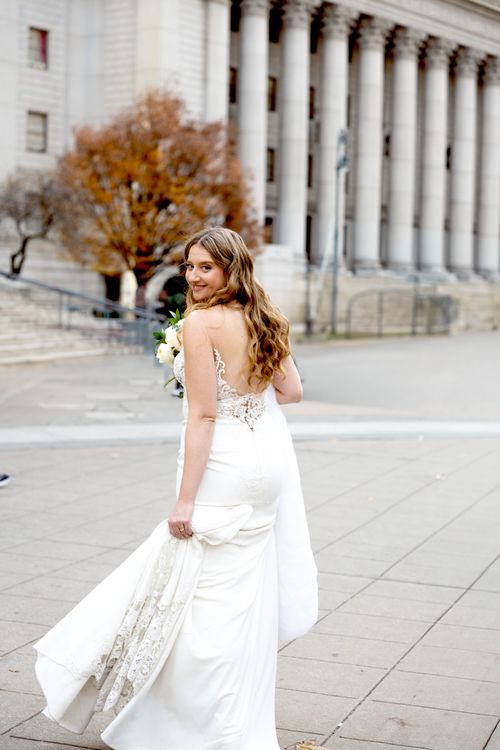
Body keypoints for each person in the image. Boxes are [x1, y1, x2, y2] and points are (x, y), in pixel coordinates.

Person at [33, 226, 318, 749]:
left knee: (200, 597)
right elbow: (292, 392)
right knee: (241, 599)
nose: (193, 276)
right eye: (189, 266)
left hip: (226, 466)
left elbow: (204, 416)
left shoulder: (200, 323)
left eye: (205, 267)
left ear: (231, 268)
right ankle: (236, 723)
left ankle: (188, 726)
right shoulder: (266, 317)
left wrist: (184, 500)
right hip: (267, 468)